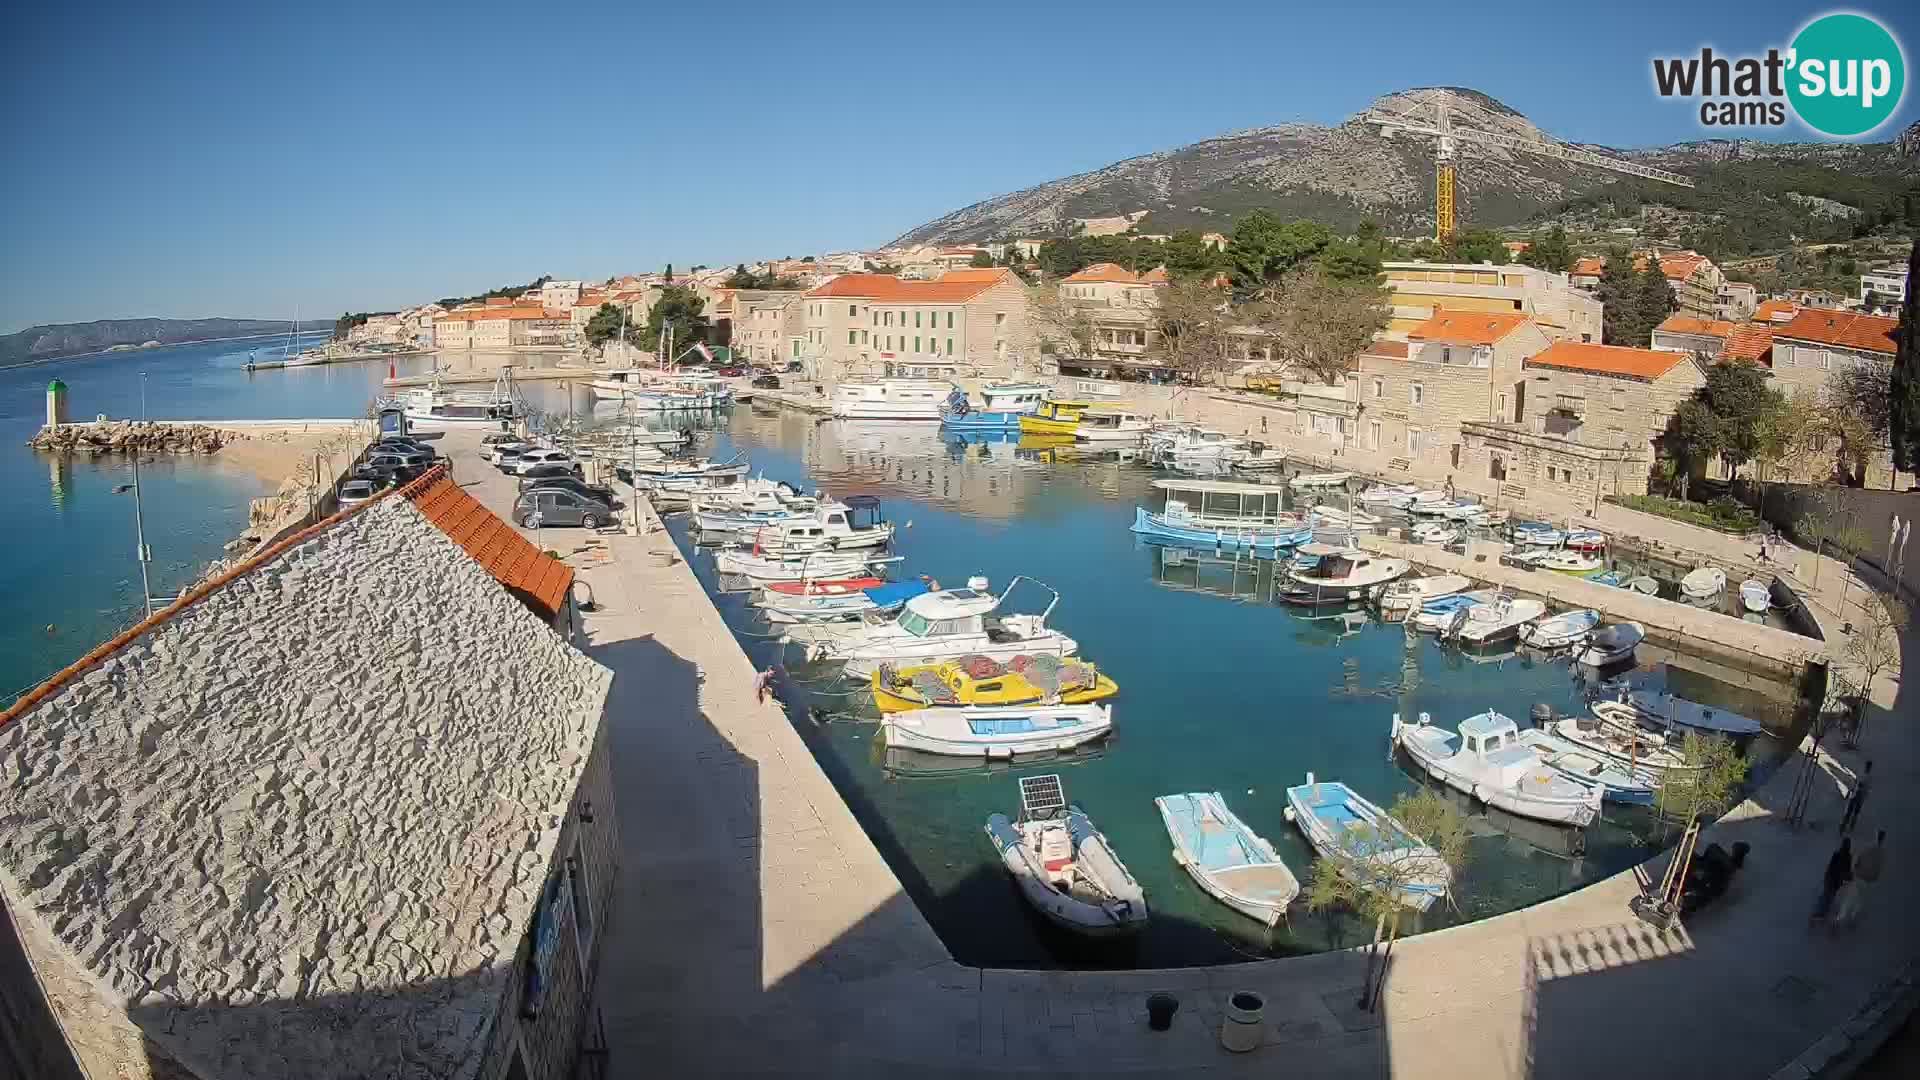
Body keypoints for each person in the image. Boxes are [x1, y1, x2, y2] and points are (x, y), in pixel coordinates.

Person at [1837, 830, 1886, 927]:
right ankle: (1852, 918)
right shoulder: (1882, 853)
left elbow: (1858, 860)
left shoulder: (1867, 848)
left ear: (1876, 836)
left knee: (1849, 899)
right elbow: (1879, 868)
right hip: (1869, 880)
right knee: (1859, 900)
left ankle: (1839, 920)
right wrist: (1874, 877)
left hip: (1859, 876)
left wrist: (1854, 869)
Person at [1811, 836, 1853, 924]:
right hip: (1838, 881)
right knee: (1831, 896)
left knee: (1825, 895)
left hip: (1830, 877)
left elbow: (1830, 866)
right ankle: (1824, 912)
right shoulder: (1849, 857)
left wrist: (1826, 876)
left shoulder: (1837, 854)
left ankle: (1819, 913)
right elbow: (1847, 870)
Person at [1841, 760, 1873, 833]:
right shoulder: (1861, 774)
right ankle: (1844, 825)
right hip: (1855, 795)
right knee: (1849, 811)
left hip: (1860, 797)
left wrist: (1863, 789)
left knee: (1855, 813)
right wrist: (1849, 791)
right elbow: (1855, 783)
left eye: (1868, 767)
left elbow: (1868, 789)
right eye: (1867, 766)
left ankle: (1851, 826)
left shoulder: (1869, 778)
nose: (1867, 768)